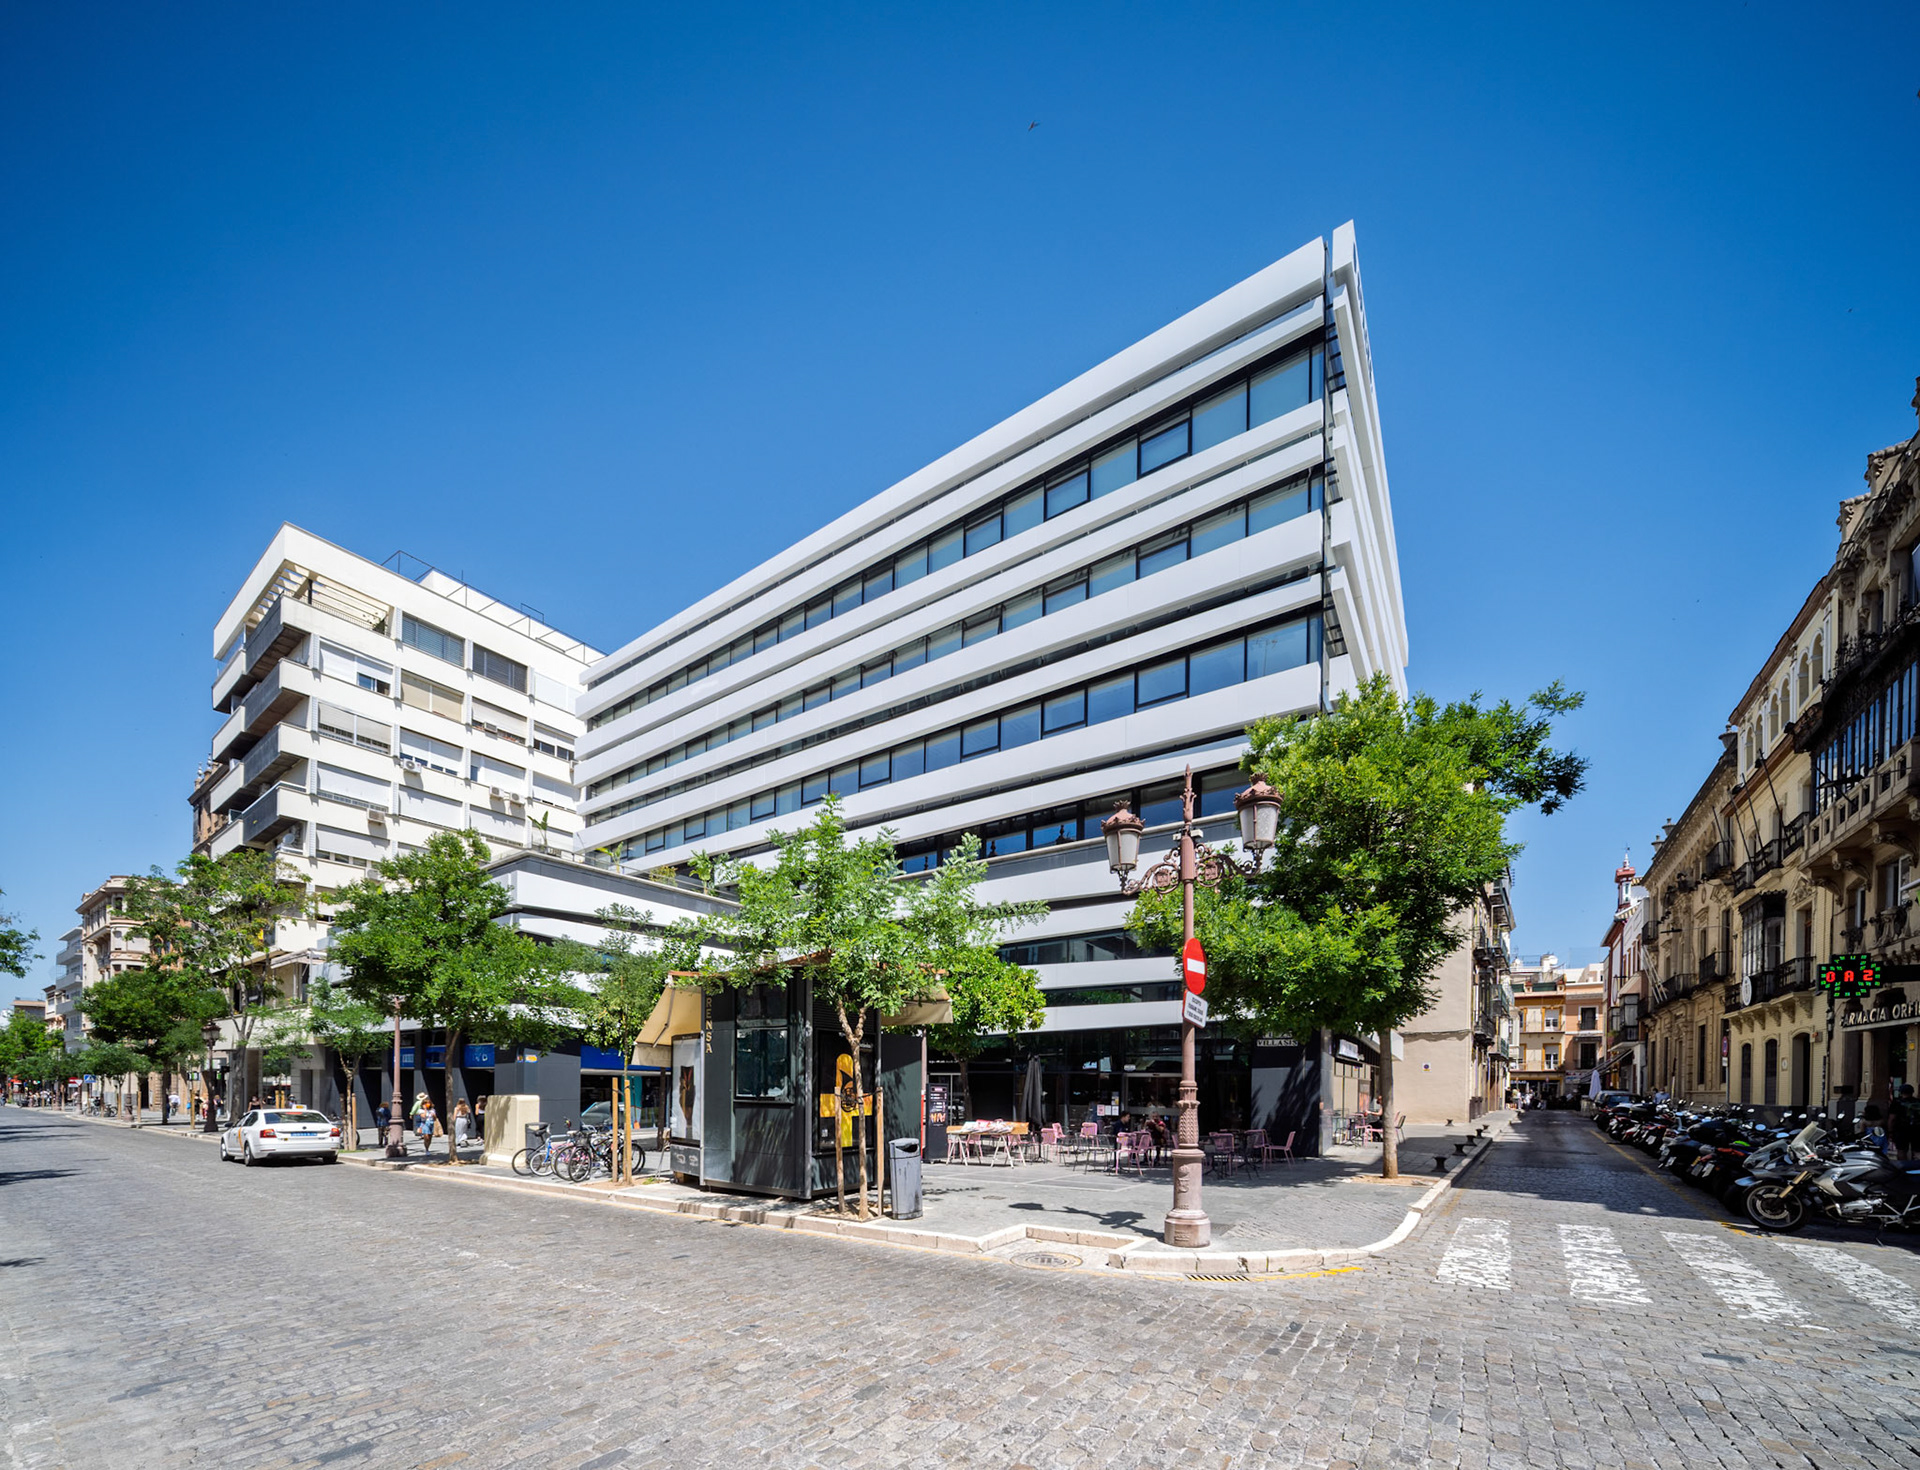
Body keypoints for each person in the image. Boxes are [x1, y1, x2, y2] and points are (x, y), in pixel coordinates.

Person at [1889, 1085, 1920, 1163]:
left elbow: (1892, 1118)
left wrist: (1890, 1131)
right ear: (1912, 1092)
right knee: (1917, 1151)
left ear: (1900, 1092)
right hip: (1917, 1129)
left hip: (1901, 1129)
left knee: (1901, 1150)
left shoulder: (1897, 1103)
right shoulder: (1918, 1102)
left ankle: (1903, 1167)